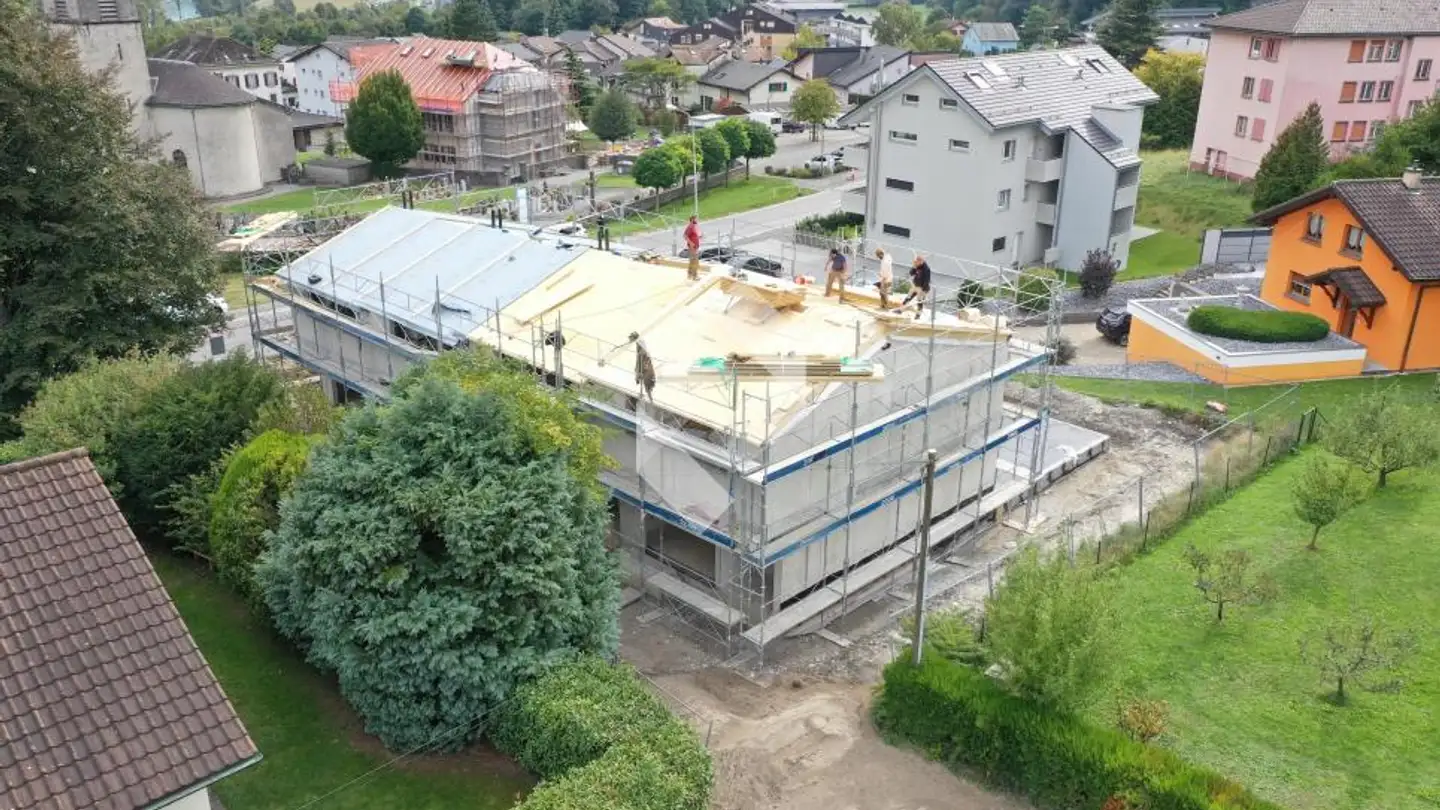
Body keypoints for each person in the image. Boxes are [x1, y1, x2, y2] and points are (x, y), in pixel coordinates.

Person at [901, 255, 932, 320]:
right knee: (908, 298)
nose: (916, 263)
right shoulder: (917, 266)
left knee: (919, 302)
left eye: (917, 262)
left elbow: (927, 280)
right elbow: (911, 273)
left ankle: (918, 315)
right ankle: (900, 310)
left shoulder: (926, 269)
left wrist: (923, 290)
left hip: (921, 288)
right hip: (915, 286)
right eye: (916, 262)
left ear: (921, 261)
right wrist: (914, 267)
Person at [683, 215, 702, 280]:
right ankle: (695, 276)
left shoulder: (693, 226)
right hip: (693, 247)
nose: (697, 220)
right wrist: (691, 243)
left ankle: (690, 274)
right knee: (695, 261)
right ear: (693, 219)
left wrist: (699, 237)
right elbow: (685, 236)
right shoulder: (690, 226)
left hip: (695, 247)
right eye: (696, 219)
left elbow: (693, 235)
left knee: (692, 261)